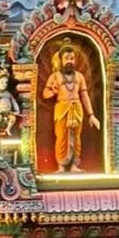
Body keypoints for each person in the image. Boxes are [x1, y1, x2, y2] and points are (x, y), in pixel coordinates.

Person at [42, 44, 100, 172]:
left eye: (72, 58)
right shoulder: (55, 76)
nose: (69, 61)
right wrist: (54, 91)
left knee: (76, 138)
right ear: (61, 60)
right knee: (61, 137)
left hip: (76, 108)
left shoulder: (79, 76)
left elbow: (84, 95)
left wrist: (91, 115)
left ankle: (74, 165)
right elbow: (45, 94)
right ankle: (61, 166)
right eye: (66, 58)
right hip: (61, 108)